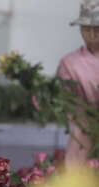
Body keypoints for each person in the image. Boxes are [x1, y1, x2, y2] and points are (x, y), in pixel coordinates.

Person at [56, 0, 99, 164]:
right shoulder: (70, 63)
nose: (92, 34)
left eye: (97, 29)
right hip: (84, 134)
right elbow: (62, 100)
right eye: (86, 28)